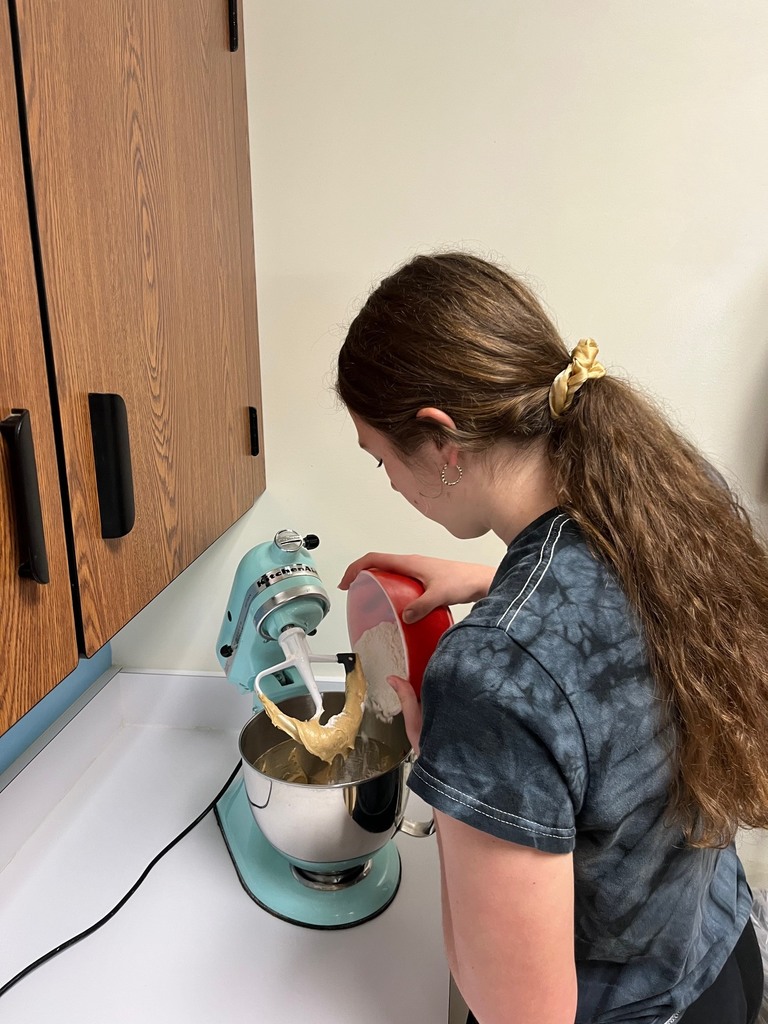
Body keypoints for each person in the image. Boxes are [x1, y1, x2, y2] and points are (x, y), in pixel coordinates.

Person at [335, 252, 768, 1024]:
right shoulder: (663, 489)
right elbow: (607, 623)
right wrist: (492, 583)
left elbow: (521, 1013)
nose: (393, 485)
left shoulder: (487, 680)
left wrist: (448, 765)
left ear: (441, 440)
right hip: (725, 958)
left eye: (382, 459)